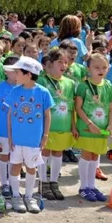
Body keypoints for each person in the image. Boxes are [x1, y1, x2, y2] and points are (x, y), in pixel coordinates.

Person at [3, 56, 52, 214]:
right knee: (15, 166)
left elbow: (47, 115)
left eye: (18, 72)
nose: (15, 76)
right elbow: (10, 114)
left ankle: (29, 196)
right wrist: (10, 136)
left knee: (31, 167)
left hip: (33, 140)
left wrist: (45, 136)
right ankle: (16, 195)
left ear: (29, 74)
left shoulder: (43, 92)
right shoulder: (14, 91)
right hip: (17, 139)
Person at [35, 49, 76, 201]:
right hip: (46, 126)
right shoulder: (42, 81)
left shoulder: (70, 83)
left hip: (63, 125)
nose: (64, 65)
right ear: (49, 64)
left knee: (58, 152)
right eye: (60, 62)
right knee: (45, 153)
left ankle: (54, 182)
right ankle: (43, 183)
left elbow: (72, 107)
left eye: (66, 62)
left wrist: (73, 125)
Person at [73, 53, 112, 203]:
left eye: (104, 67)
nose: (100, 70)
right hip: (87, 127)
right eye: (96, 67)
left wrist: (109, 125)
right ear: (88, 68)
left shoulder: (108, 86)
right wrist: (90, 123)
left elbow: (111, 108)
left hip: (102, 128)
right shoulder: (83, 86)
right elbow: (78, 108)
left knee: (95, 156)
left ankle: (92, 186)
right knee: (87, 154)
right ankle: (84, 187)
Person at [0, 56, 19, 198]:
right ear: (6, 71)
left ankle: (14, 184)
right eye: (12, 70)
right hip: (2, 130)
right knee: (4, 156)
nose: (16, 73)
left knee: (16, 158)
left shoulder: (24, 88)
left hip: (19, 131)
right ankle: (4, 183)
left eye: (18, 70)